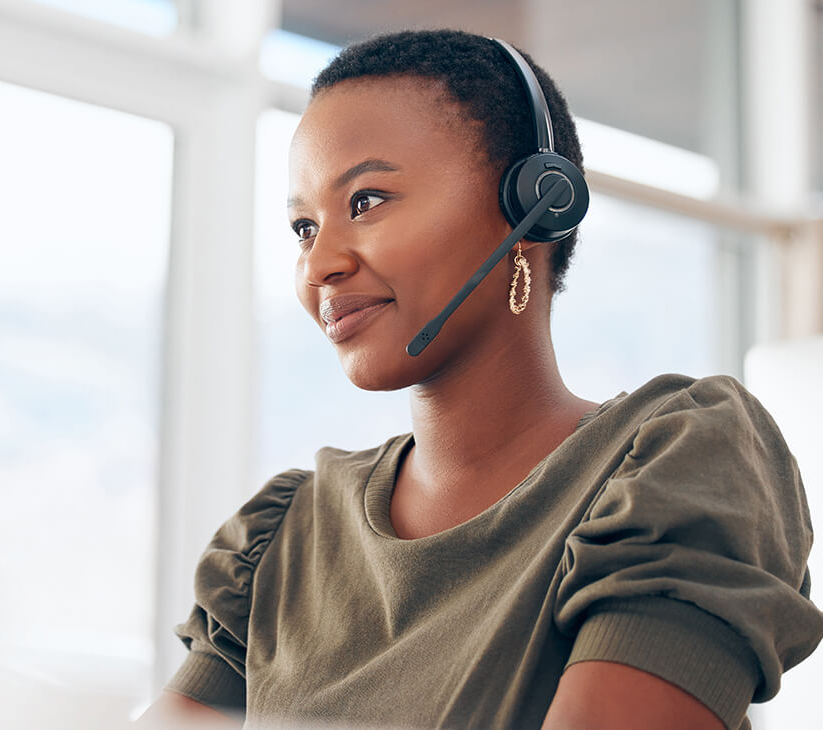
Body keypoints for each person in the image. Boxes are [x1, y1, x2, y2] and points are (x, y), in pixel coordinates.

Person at [138, 29, 823, 729]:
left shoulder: (682, 465)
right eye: (304, 228)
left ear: (535, 203)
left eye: (367, 201)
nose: (320, 267)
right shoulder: (281, 539)